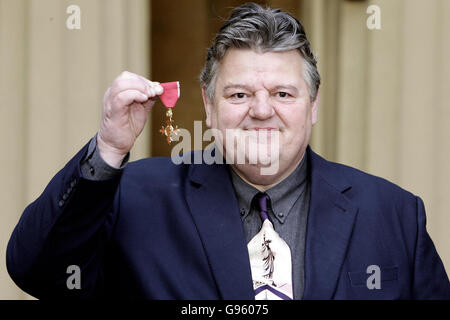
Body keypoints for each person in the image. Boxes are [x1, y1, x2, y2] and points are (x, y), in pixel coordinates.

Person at [7, 2, 450, 300]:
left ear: (313, 106)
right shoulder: (137, 196)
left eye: (283, 93)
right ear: (210, 106)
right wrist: (107, 148)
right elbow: (38, 273)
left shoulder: (394, 214)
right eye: (238, 95)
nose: (261, 111)